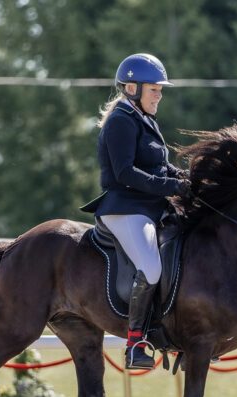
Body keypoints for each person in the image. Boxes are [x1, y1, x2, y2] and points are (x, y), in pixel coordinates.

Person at [81, 53, 190, 370]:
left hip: (149, 206)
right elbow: (126, 173)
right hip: (126, 208)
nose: (160, 94)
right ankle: (135, 343)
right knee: (151, 268)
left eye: (160, 89)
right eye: (154, 89)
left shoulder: (144, 119)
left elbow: (160, 165)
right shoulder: (120, 121)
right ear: (132, 88)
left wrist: (187, 179)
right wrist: (170, 187)